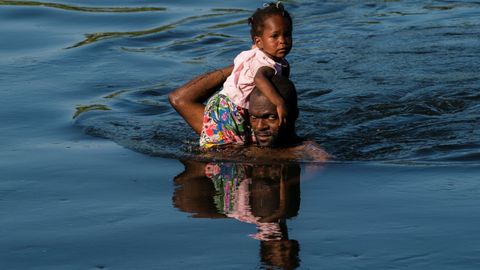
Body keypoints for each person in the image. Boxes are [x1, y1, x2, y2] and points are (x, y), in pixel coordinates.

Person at [199, 2, 293, 148]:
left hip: (228, 103)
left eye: (287, 34)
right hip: (229, 107)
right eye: (274, 36)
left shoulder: (265, 52)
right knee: (229, 146)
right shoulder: (265, 63)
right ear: (259, 42)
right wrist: (279, 103)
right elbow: (259, 78)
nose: (282, 41)